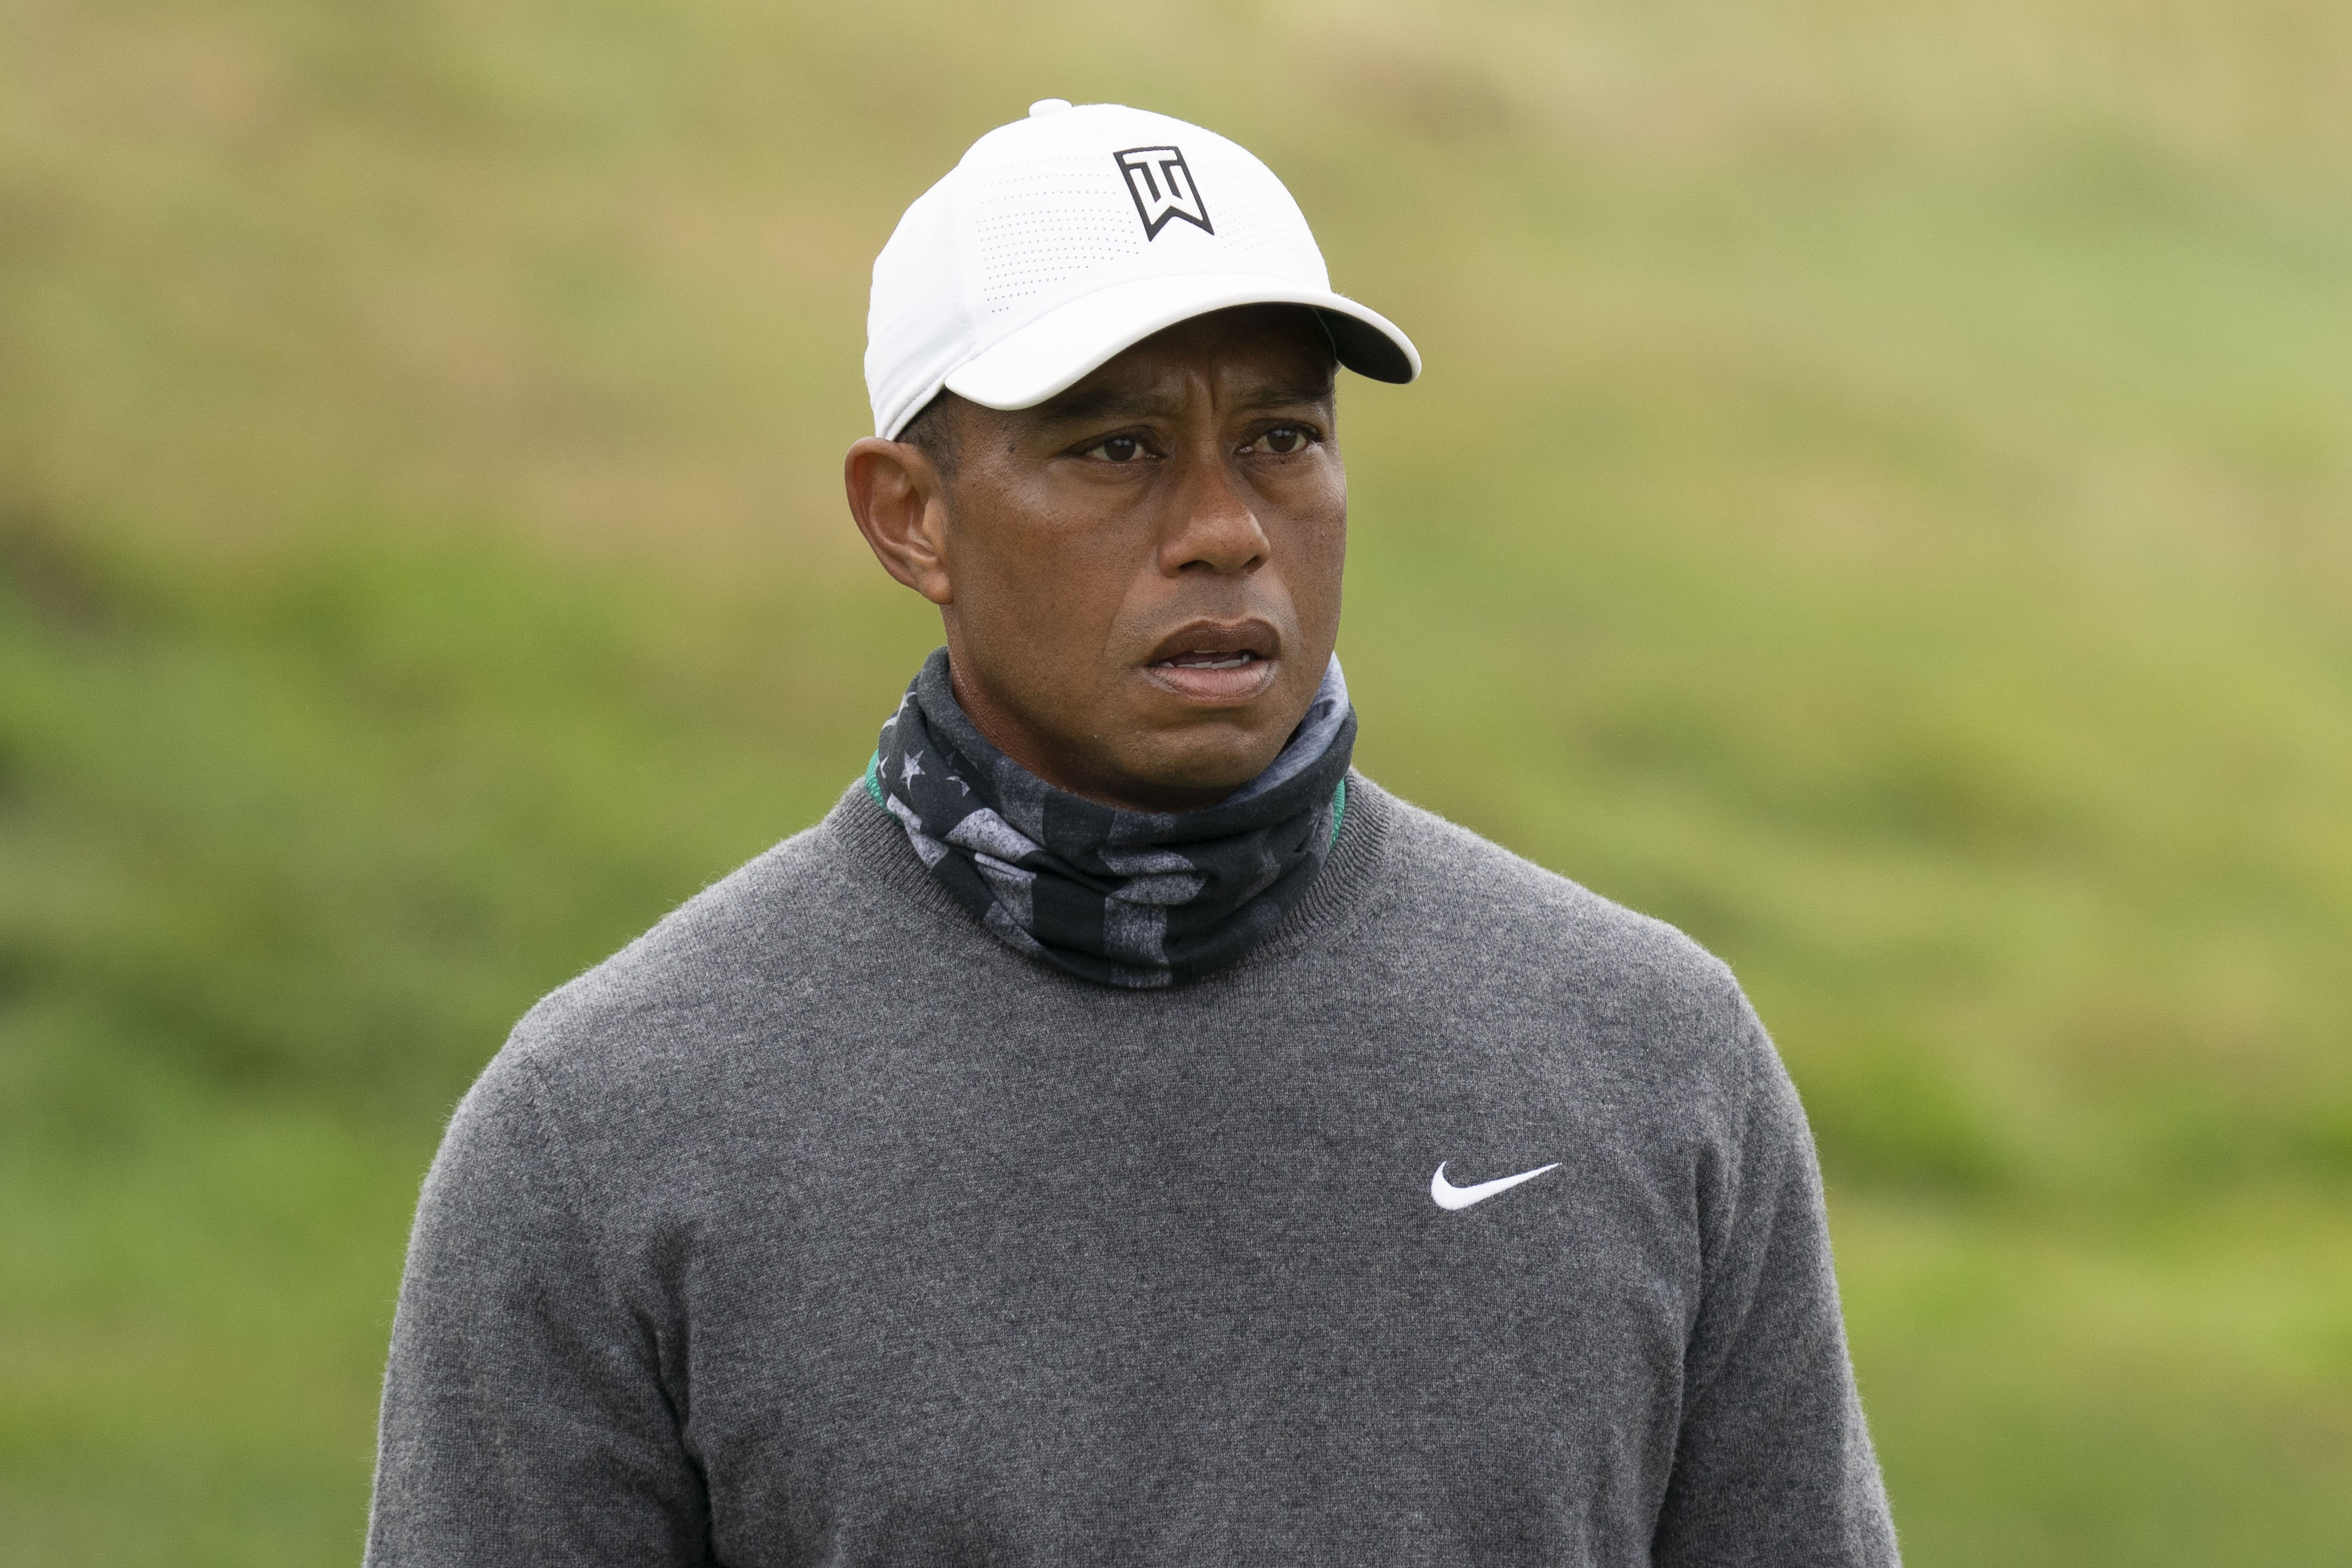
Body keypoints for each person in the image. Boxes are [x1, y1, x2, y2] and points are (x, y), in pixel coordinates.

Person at [366, 100, 1900, 1567]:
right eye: (1117, 447)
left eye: (1281, 437)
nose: (1225, 527)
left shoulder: (1651, 1057)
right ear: (909, 515)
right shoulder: (606, 1133)